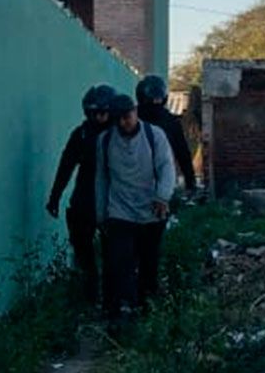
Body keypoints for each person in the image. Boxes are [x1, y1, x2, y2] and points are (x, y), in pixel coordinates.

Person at [95, 93, 175, 321]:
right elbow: (102, 178)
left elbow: (166, 168)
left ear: (136, 112)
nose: (124, 123)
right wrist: (101, 213)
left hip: (151, 211)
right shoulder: (105, 141)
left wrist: (162, 196)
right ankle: (122, 311)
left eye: (127, 117)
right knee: (120, 262)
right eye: (118, 118)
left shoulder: (154, 135)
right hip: (119, 211)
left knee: (149, 263)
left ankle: (147, 310)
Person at [46, 83, 116, 304]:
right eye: (93, 113)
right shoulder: (82, 134)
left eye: (102, 113)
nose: (98, 117)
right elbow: (66, 165)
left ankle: (112, 301)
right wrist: (55, 196)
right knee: (83, 252)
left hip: (113, 201)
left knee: (114, 255)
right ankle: (89, 297)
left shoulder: (120, 134)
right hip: (84, 200)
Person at [135, 74, 197, 193]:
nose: (156, 102)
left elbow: (182, 153)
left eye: (158, 98)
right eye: (153, 99)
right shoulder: (132, 118)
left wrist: (190, 182)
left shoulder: (170, 121)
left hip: (161, 177)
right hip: (135, 177)